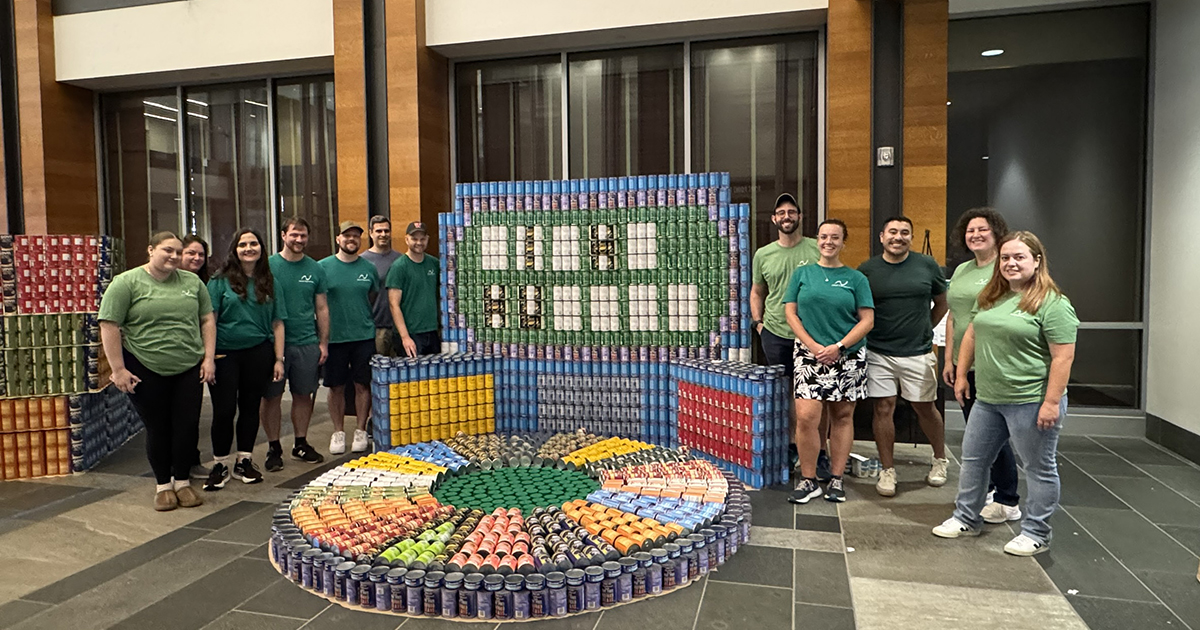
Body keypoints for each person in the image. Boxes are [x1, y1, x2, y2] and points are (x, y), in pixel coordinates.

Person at [934, 231, 1078, 557]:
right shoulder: (993, 296)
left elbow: (1063, 357)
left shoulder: (1052, 303)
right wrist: (960, 375)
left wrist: (1052, 402)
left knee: (1039, 467)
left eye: (1019, 257)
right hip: (988, 398)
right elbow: (970, 332)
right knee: (973, 460)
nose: (1011, 263)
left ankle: (1037, 533)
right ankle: (966, 517)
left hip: (1030, 400)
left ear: (1037, 261)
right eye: (1006, 258)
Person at [98, 232, 215, 511]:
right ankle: (164, 485)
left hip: (188, 366)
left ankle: (183, 482)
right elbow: (109, 325)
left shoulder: (192, 281)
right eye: (167, 250)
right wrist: (118, 369)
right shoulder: (126, 283)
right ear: (151, 250)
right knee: (158, 426)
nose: (174, 256)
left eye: (178, 252)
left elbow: (207, 319)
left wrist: (208, 358)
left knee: (186, 426)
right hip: (144, 365)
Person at [783, 219, 874, 504]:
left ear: (843, 242)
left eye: (835, 237)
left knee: (842, 417)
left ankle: (836, 479)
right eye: (823, 236)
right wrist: (813, 346)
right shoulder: (803, 275)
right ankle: (809, 480)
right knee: (807, 417)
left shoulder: (856, 278)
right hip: (809, 356)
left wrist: (839, 346)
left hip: (847, 356)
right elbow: (791, 313)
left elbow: (868, 319)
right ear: (817, 240)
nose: (828, 242)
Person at [857, 216, 949, 497]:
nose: (898, 237)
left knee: (924, 408)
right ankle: (888, 470)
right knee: (883, 408)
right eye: (893, 232)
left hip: (918, 352)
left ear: (911, 237)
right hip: (878, 351)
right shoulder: (867, 270)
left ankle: (939, 459)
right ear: (882, 237)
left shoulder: (927, 265)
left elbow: (942, 302)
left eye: (905, 232)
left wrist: (924, 330)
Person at [942, 208, 1021, 524]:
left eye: (982, 230)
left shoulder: (1004, 268)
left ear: (996, 233)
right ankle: (989, 490)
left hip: (991, 361)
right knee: (977, 433)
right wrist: (950, 358)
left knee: (993, 435)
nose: (975, 235)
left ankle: (1008, 499)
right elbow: (954, 316)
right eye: (970, 230)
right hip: (964, 362)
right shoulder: (962, 270)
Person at [751, 193, 829, 476]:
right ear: (774, 219)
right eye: (781, 212)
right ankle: (791, 446)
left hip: (813, 334)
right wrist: (759, 323)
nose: (787, 217)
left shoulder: (815, 248)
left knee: (816, 394)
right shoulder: (764, 254)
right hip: (775, 332)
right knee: (784, 393)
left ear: (800, 217)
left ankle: (819, 451)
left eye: (791, 212)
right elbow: (758, 290)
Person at [203, 229, 286, 491]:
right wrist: (208, 359)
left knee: (250, 408)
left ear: (261, 248)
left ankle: (245, 461)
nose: (248, 248)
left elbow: (278, 323)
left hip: (259, 352)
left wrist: (278, 359)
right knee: (224, 410)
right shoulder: (218, 281)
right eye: (243, 244)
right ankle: (219, 464)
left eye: (254, 244)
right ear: (234, 249)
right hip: (225, 354)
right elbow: (209, 322)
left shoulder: (270, 281)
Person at [262, 218, 330, 472]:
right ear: (283, 235)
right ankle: (273, 447)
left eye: (303, 236)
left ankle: (300, 443)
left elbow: (321, 308)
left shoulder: (315, 269)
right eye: (294, 235)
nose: (299, 240)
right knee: (271, 397)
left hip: (306, 342)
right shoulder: (267, 266)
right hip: (272, 344)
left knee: (304, 394)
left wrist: (323, 342)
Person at [322, 221, 381, 454]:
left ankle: (359, 430)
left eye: (356, 236)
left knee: (362, 384)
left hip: (363, 335)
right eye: (347, 236)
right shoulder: (323, 267)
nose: (351, 240)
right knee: (335, 386)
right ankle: (338, 431)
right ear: (338, 239)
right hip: (334, 337)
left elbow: (372, 296)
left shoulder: (369, 268)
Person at [179, 234, 212, 479]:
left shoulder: (204, 282)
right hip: (168, 357)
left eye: (201, 254)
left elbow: (207, 320)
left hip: (195, 356)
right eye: (191, 253)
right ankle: (170, 468)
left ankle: (190, 461)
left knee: (190, 415)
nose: (196, 258)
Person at [386, 221, 441, 357]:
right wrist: (405, 337)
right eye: (414, 239)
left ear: (427, 239)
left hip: (432, 331)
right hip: (411, 334)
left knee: (433, 376)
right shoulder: (399, 267)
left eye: (422, 239)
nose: (419, 242)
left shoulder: (434, 264)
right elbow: (394, 304)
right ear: (406, 239)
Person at [361, 215, 403, 356]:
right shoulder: (362, 262)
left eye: (386, 231)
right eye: (379, 231)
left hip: (400, 327)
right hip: (377, 328)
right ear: (371, 233)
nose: (383, 235)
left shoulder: (400, 259)